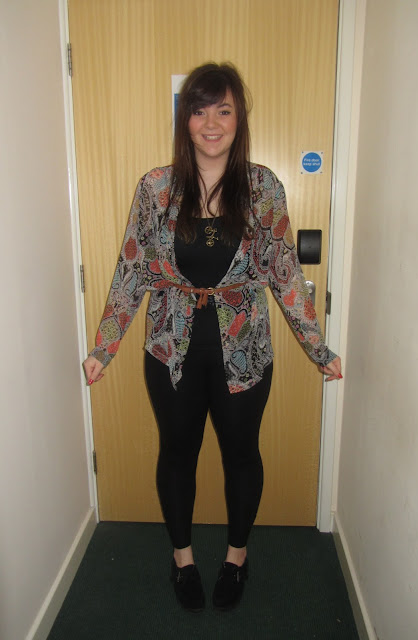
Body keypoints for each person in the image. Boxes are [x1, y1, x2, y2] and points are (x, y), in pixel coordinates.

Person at [83, 62, 342, 613]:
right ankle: (182, 559)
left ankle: (236, 557)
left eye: (223, 110)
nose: (211, 123)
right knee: (177, 453)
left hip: (245, 352)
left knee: (241, 454)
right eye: (199, 110)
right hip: (169, 349)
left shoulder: (263, 187)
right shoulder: (155, 188)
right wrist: (105, 345)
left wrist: (317, 347)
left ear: (239, 118)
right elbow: (131, 271)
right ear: (186, 120)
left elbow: (284, 272)